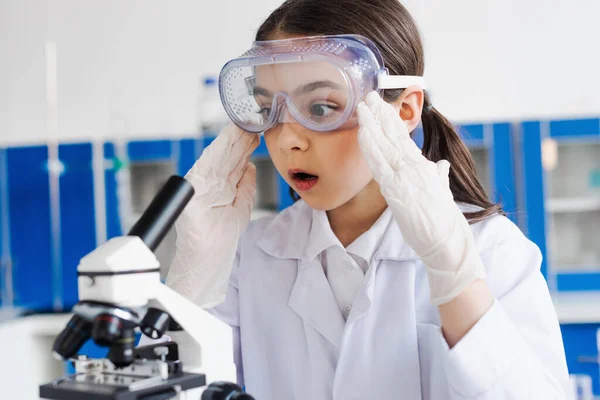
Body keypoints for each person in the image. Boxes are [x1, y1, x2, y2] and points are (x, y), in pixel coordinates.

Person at [166, 0, 570, 398]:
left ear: (405, 110)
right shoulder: (250, 256)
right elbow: (181, 391)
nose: (287, 138)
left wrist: (457, 279)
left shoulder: (490, 250)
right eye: (268, 108)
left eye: (322, 107)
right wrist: (194, 284)